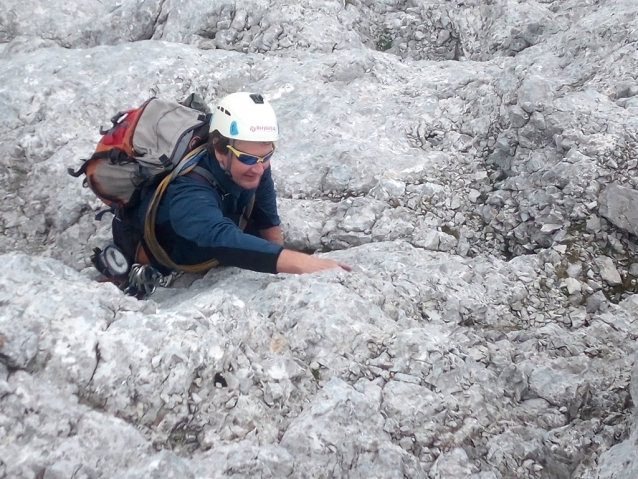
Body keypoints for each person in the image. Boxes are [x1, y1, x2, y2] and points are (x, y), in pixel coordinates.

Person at [135, 92, 351, 276]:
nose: (259, 168)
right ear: (220, 149)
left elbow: (266, 213)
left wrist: (279, 252)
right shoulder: (189, 191)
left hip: (223, 224)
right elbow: (222, 240)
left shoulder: (253, 162)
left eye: (266, 157)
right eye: (248, 158)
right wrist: (305, 264)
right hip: (173, 254)